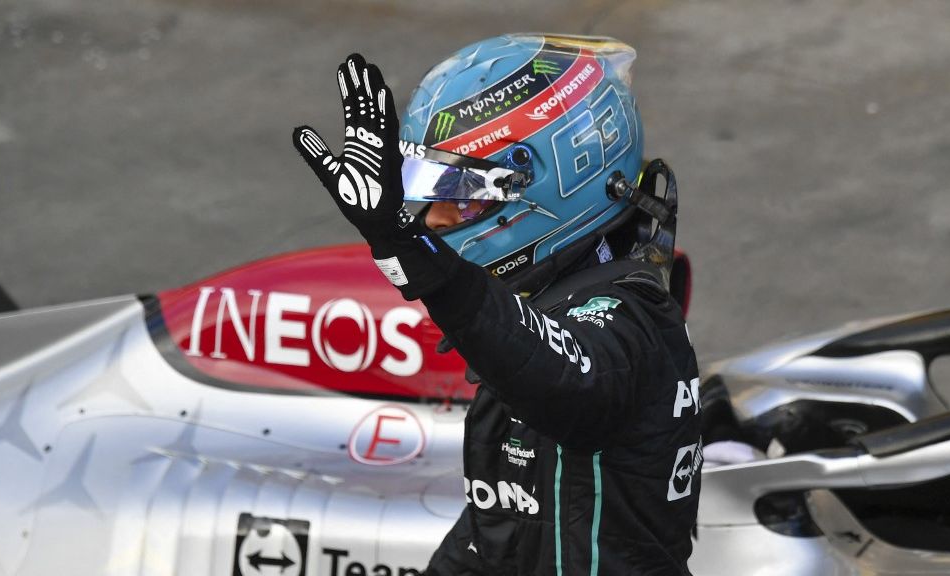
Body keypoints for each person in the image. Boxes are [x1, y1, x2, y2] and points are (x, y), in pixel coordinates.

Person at [292, 34, 702, 576]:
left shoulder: (627, 320)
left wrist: (404, 246)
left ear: (558, 184)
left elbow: (559, 377)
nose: (433, 220)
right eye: (424, 193)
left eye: (460, 195)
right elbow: (497, 531)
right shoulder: (543, 307)